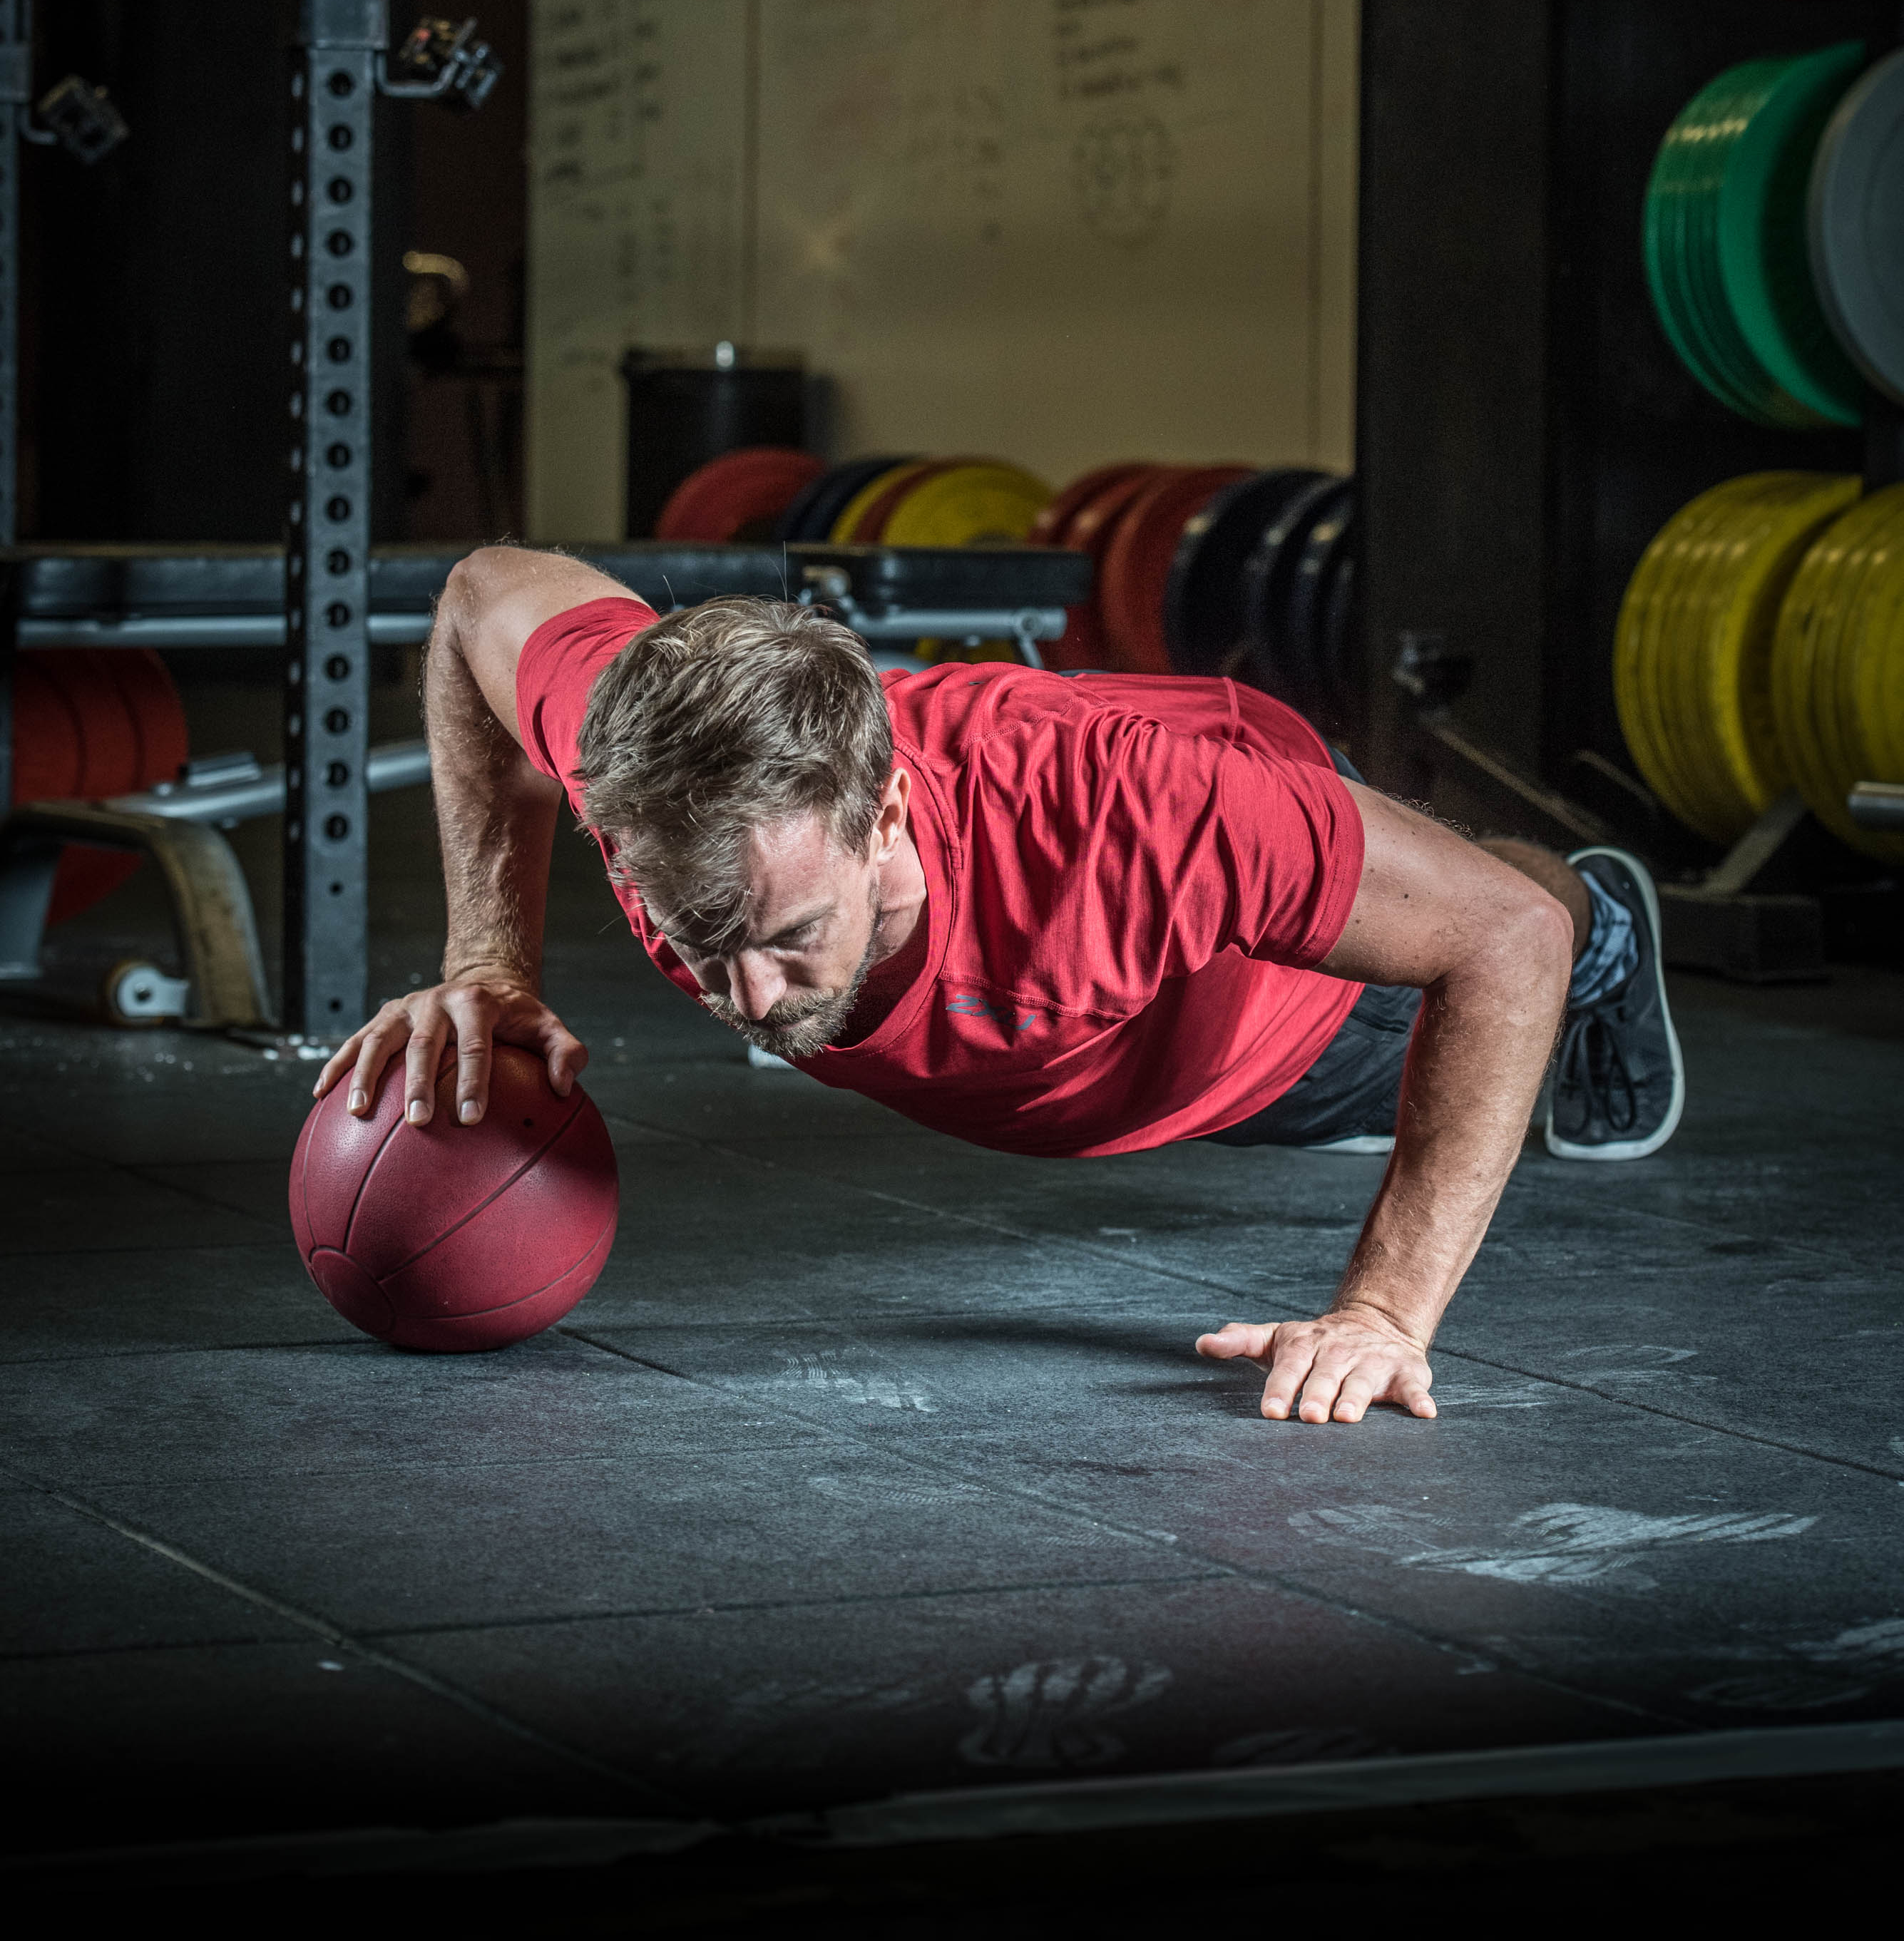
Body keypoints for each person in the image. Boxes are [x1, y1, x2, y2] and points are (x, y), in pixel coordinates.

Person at [314, 548, 1684, 1426]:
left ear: (888, 820)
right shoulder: (644, 751)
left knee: (1510, 924)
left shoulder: (1135, 826)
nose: (739, 992)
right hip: (1102, 953)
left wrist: (1384, 1313)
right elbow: (480, 593)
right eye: (689, 932)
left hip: (1281, 1022)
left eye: (789, 932)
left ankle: (1615, 921)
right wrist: (488, 964)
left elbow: (1499, 941)